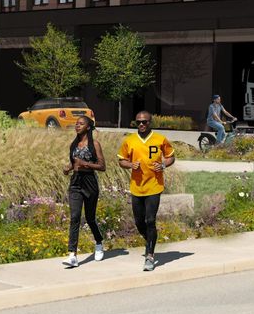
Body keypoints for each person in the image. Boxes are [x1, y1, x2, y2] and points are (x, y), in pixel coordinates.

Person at [116, 112, 175, 271]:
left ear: (150, 122)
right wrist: (130, 165)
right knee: (139, 222)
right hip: (136, 187)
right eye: (138, 122)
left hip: (154, 186)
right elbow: (121, 160)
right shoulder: (130, 140)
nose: (141, 124)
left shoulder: (160, 139)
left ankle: (150, 255)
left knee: (150, 220)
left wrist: (163, 165)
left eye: (144, 122)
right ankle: (151, 238)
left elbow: (171, 156)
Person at [61, 114, 107, 268]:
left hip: (90, 183)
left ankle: (99, 243)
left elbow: (102, 166)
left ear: (88, 127)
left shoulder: (95, 144)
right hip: (75, 183)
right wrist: (68, 168)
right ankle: (72, 255)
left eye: (81, 124)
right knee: (74, 217)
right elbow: (73, 162)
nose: (77, 126)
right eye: (76, 124)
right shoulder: (74, 145)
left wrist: (85, 164)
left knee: (90, 217)